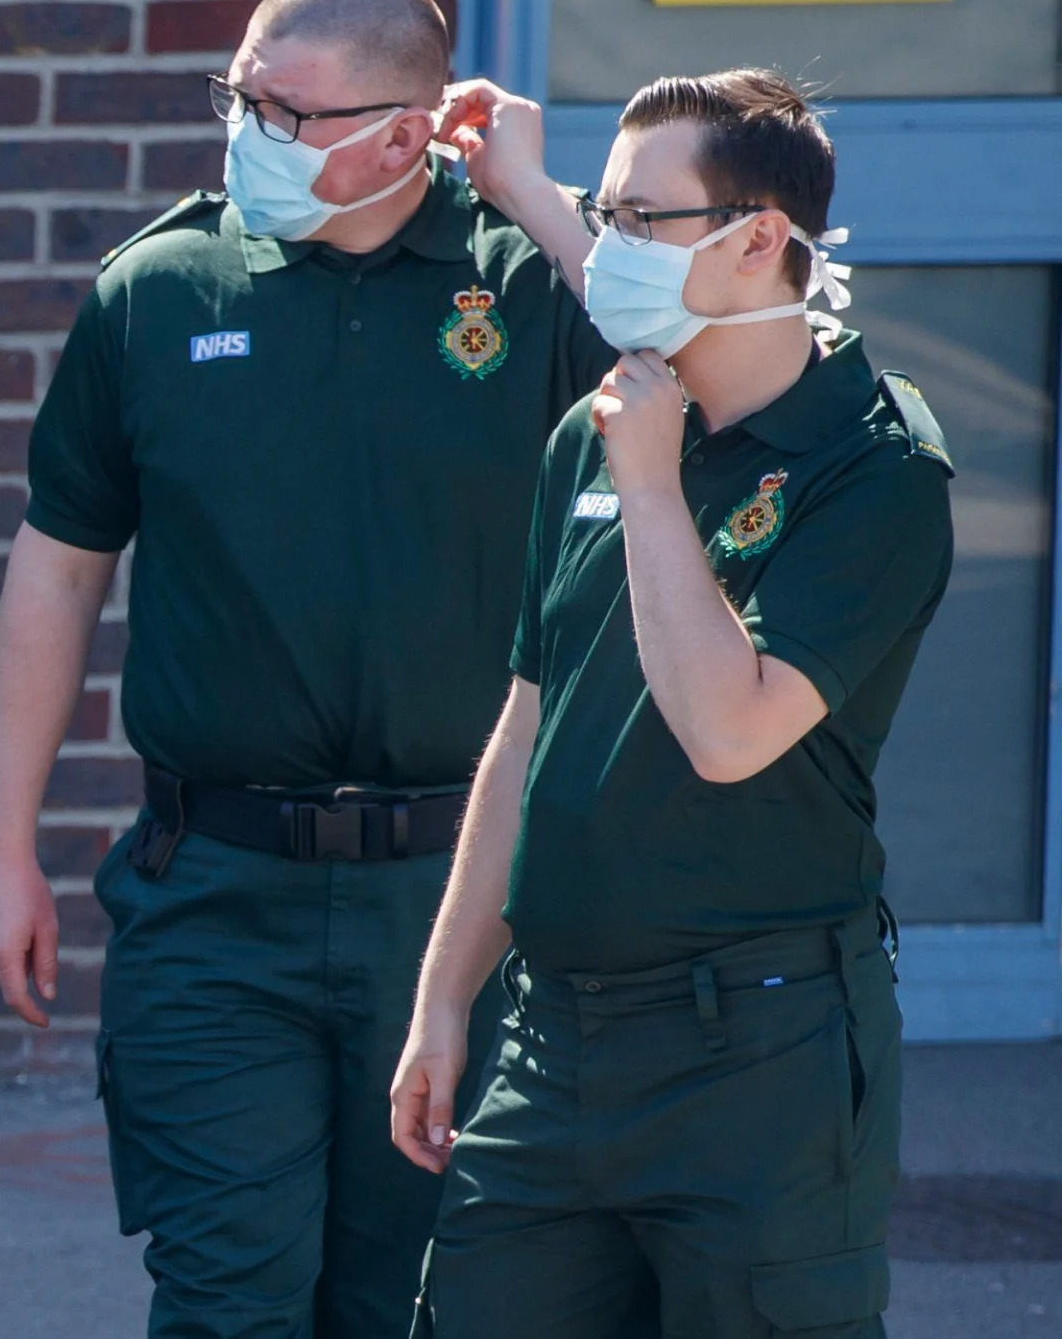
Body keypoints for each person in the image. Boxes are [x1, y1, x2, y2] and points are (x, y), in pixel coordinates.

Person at [0, 0, 615, 1338]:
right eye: (238, 97)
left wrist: (547, 204)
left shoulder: (531, 281)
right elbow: (56, 572)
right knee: (225, 1295)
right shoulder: (159, 288)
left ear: (406, 131)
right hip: (216, 892)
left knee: (425, 1300)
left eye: (283, 109)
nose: (246, 130)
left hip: (461, 899)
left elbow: (696, 377)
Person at [394, 68, 951, 1338]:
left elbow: (730, 729)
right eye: (604, 216)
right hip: (554, 1043)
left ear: (761, 241)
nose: (610, 248)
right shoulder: (596, 436)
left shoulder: (876, 467)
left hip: (756, 1058)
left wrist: (651, 491)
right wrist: (441, 1001)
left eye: (644, 221)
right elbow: (527, 732)